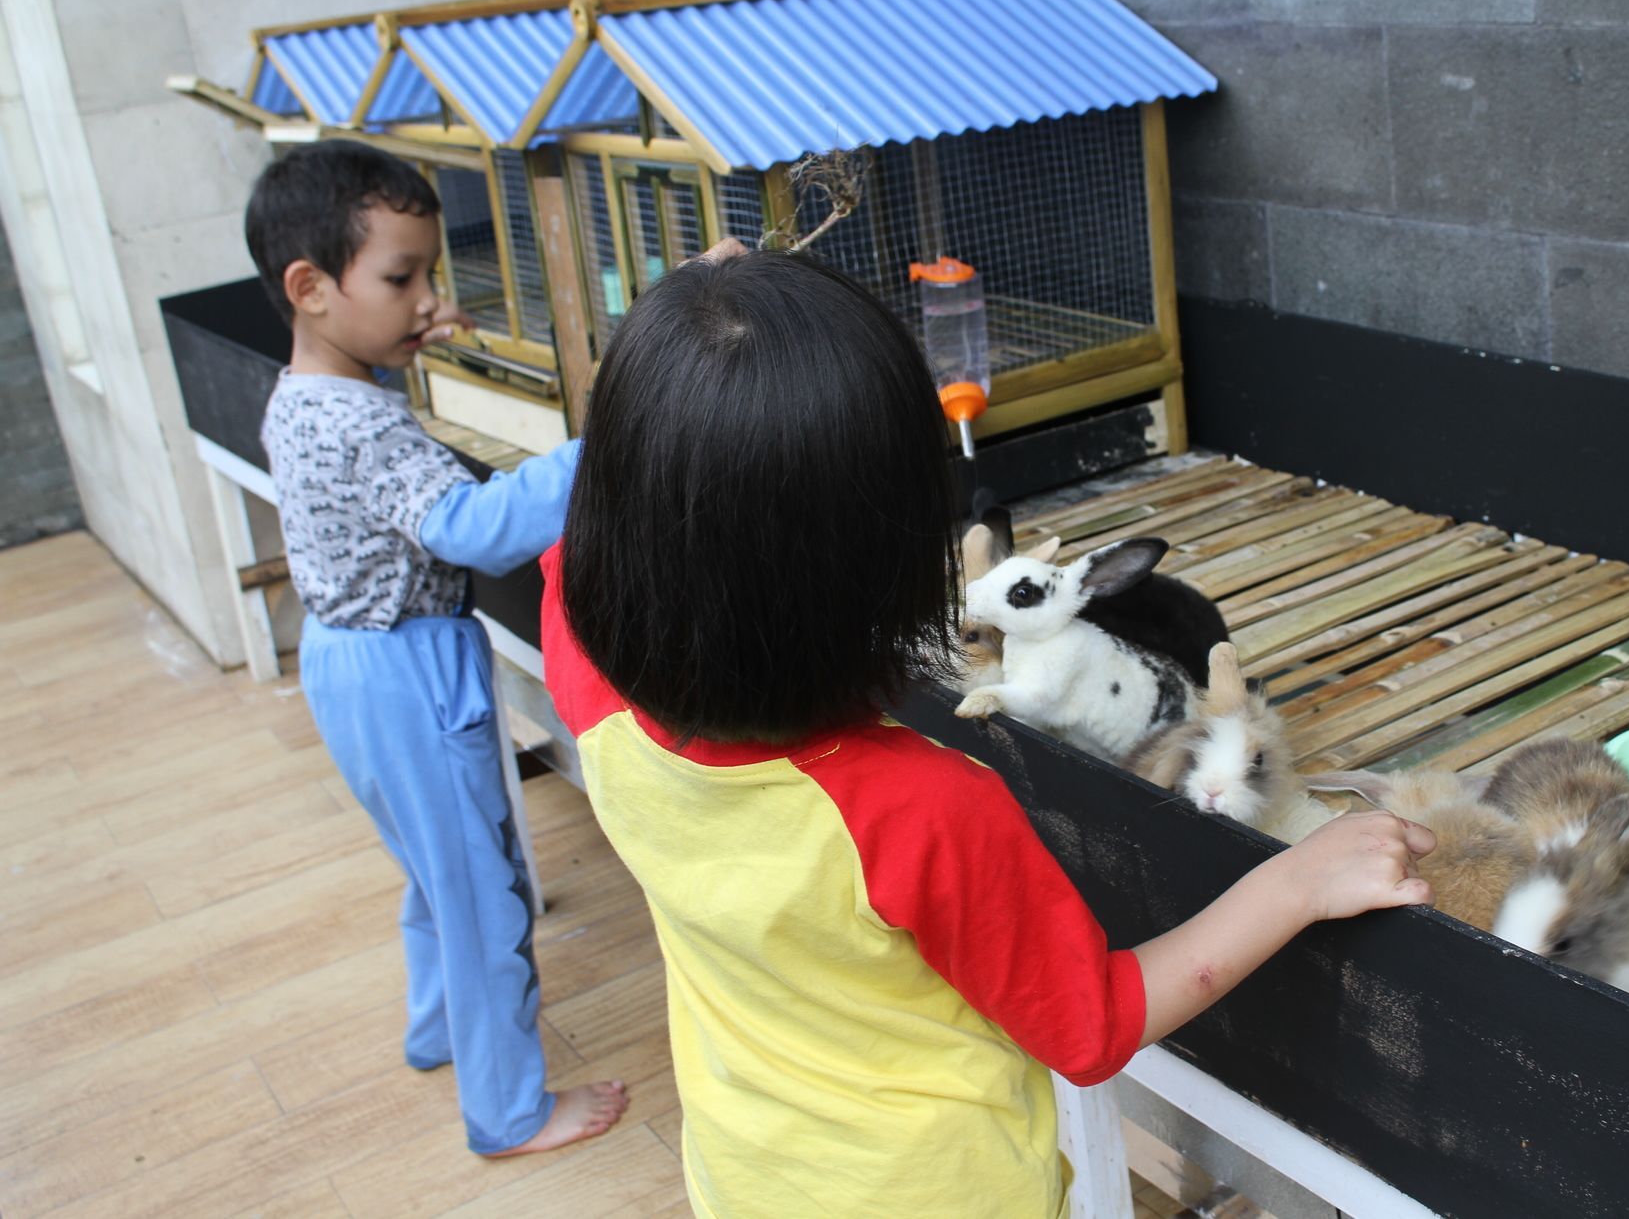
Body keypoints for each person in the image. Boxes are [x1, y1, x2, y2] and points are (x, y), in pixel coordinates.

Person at [542, 246, 1434, 1215]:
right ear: (882, 563)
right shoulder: (920, 808)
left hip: (755, 1177)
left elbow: (590, 542)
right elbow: (1089, 1024)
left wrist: (687, 355)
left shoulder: (590, 690)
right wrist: (1295, 879)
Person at [246, 140, 626, 1156]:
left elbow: (381, 475)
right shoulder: (366, 425)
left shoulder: (307, 395)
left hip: (345, 662)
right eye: (402, 277)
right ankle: (508, 1111)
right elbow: (468, 526)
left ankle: (435, 1032)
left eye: (431, 276)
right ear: (310, 287)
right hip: (409, 670)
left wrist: (415, 334)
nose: (426, 298)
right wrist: (602, 446)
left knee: (432, 869)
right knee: (483, 890)